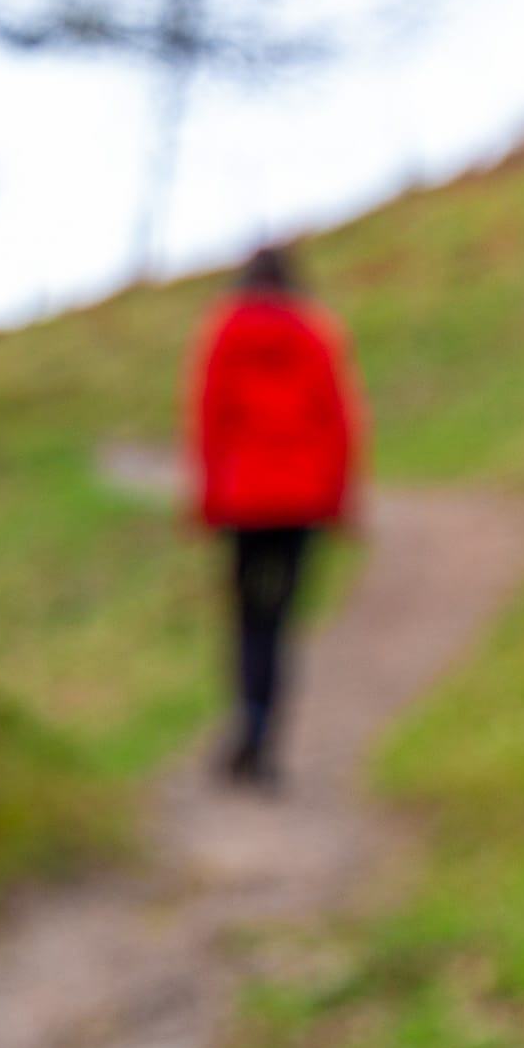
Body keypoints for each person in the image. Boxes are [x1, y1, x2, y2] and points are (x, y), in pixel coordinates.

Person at [188, 246, 365, 787]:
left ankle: (248, 732)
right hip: (303, 499)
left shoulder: (222, 332)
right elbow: (339, 421)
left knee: (246, 621)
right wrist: (339, 501)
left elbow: (209, 419)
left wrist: (209, 499)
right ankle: (266, 742)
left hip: (243, 500)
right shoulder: (316, 334)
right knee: (281, 622)